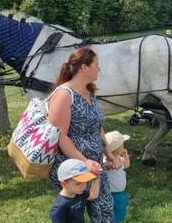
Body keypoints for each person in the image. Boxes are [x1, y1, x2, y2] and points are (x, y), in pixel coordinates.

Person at [48, 47, 118, 223]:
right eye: (96, 65)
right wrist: (84, 162)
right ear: (84, 68)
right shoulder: (64, 95)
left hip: (94, 165)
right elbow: (60, 136)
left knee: (105, 209)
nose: (99, 69)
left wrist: (108, 154)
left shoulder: (90, 92)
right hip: (74, 170)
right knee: (74, 216)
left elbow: (98, 127)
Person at [50, 159, 101, 223]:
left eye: (85, 182)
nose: (83, 186)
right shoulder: (59, 208)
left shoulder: (79, 193)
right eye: (78, 183)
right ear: (64, 184)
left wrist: (96, 179)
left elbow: (93, 195)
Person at [104, 131, 131, 223]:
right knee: (112, 212)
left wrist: (125, 155)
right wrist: (108, 164)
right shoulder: (105, 161)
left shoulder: (120, 159)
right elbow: (105, 166)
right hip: (110, 193)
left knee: (121, 211)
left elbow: (127, 165)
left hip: (120, 192)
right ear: (118, 149)